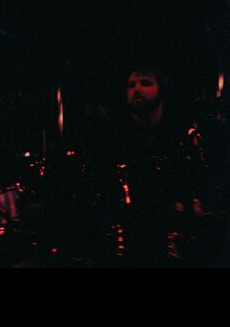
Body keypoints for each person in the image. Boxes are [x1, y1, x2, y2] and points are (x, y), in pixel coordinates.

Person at [86, 63, 217, 267]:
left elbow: (199, 186)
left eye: (145, 83)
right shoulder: (112, 136)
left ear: (161, 90)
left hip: (173, 237)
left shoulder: (181, 135)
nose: (136, 90)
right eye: (131, 85)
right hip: (124, 236)